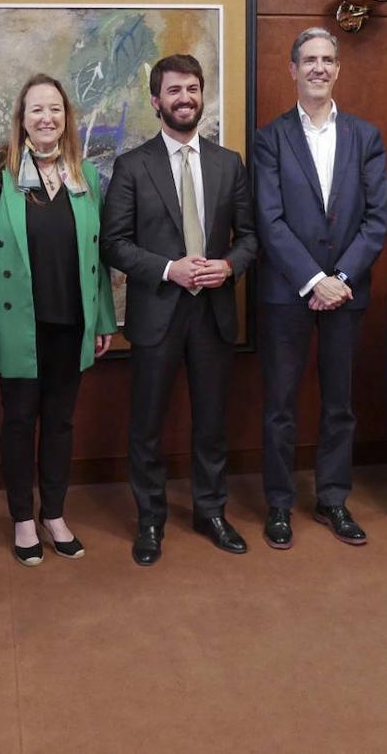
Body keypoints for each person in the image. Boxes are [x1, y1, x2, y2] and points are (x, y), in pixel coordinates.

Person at [0, 74, 116, 566]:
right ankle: (23, 518)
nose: (47, 118)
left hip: (71, 321)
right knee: (20, 421)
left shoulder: (83, 174)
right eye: (37, 110)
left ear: (67, 119)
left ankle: (55, 514)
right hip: (16, 323)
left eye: (56, 110)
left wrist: (104, 317)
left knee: (61, 423)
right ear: (21, 118)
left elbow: (97, 256)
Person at [101, 53, 258, 566]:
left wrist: (229, 266)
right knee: (147, 424)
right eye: (174, 91)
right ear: (156, 100)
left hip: (213, 313)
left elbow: (251, 238)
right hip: (157, 312)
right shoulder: (131, 165)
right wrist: (170, 269)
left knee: (211, 421)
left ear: (201, 94)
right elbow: (115, 244)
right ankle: (150, 519)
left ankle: (211, 511)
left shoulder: (227, 162)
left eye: (192, 89)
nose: (184, 98)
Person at [252, 27, 387, 549]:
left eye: (327, 60)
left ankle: (333, 498)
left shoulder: (365, 136)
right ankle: (279, 505)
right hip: (286, 292)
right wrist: (314, 280)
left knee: (339, 405)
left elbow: (378, 219)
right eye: (308, 59)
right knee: (280, 407)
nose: (318, 67)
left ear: (338, 70)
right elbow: (269, 219)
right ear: (292, 69)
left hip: (347, 294)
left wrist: (342, 279)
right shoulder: (270, 138)